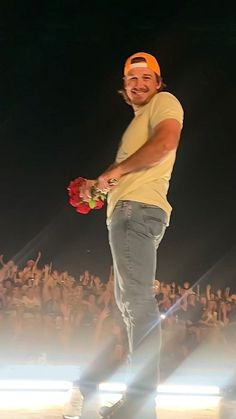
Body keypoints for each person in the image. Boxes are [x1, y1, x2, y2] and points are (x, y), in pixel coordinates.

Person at [78, 52, 184, 419]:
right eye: (131, 79)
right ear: (124, 87)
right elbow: (128, 172)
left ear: (158, 82)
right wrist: (99, 186)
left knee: (137, 306)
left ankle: (140, 404)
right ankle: (140, 403)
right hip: (129, 210)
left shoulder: (164, 103)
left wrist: (115, 172)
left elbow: (166, 144)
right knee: (130, 307)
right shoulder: (137, 124)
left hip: (136, 212)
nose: (139, 84)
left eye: (146, 77)